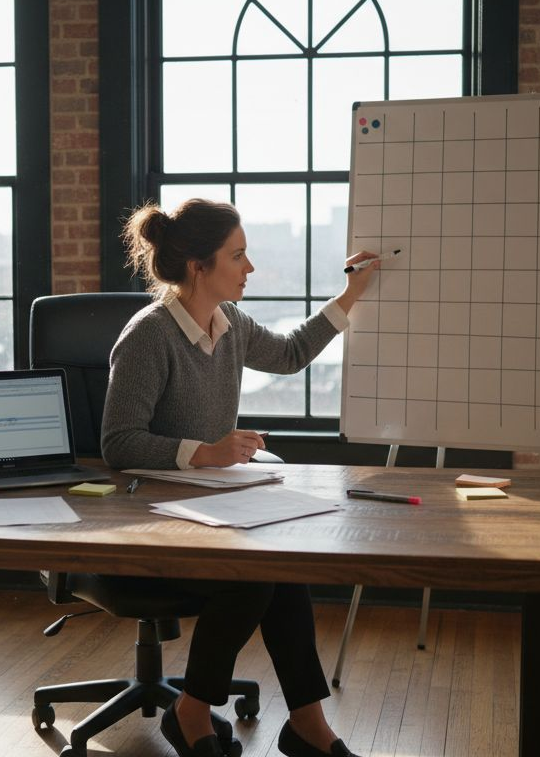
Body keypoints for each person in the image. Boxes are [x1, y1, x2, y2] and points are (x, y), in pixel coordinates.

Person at [100, 198, 379, 757]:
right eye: (239, 255)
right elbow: (118, 443)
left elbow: (293, 352)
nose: (249, 267)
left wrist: (351, 295)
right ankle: (194, 712)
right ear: (200, 267)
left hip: (211, 513)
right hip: (153, 526)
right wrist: (205, 452)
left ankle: (307, 724)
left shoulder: (231, 326)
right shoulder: (149, 336)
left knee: (279, 564)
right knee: (254, 576)